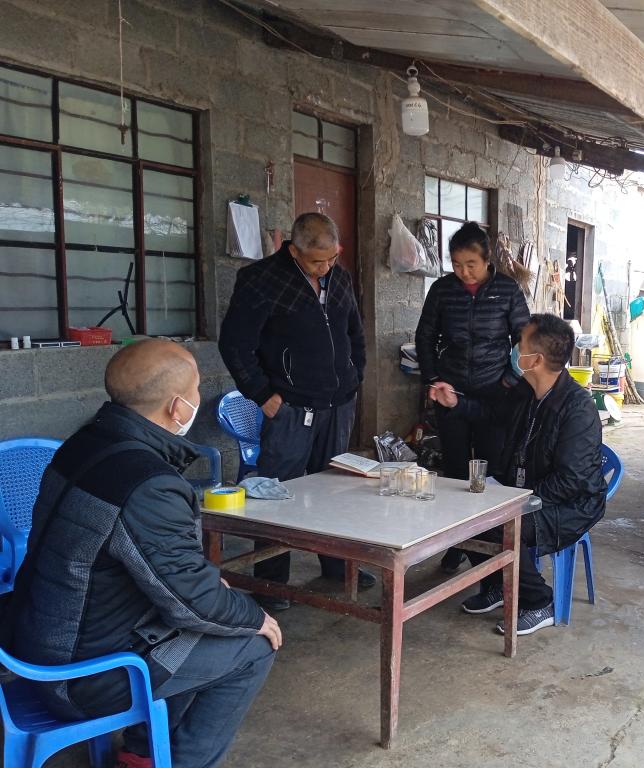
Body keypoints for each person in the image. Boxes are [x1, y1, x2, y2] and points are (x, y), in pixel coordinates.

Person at [2, 339, 280, 768]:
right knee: (252, 646)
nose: (197, 398)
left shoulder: (83, 444)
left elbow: (163, 570)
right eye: (196, 389)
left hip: (30, 637)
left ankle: (142, 751)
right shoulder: (149, 484)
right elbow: (194, 603)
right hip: (79, 677)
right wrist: (254, 617)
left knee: (202, 621)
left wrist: (209, 588)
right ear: (177, 407)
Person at [219, 212, 372, 608]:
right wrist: (262, 394)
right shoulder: (260, 280)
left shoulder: (340, 277)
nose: (326, 268)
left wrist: (355, 374)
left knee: (335, 489)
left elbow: (354, 331)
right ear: (294, 250)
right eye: (317, 261)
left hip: (338, 403)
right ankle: (271, 584)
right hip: (289, 407)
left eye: (332, 258)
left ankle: (337, 565)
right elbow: (234, 344)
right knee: (276, 494)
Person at [430, 313, 607, 635]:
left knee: (499, 524)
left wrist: (517, 501)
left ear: (535, 360)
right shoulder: (526, 392)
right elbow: (490, 413)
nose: (514, 349)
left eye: (520, 344)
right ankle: (500, 585)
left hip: (571, 505)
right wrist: (455, 403)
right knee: (460, 515)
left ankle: (540, 601)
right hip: (525, 489)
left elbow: (572, 481)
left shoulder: (577, 408)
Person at [415, 221, 531, 573]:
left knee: (489, 470)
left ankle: (490, 546)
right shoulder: (442, 290)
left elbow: (524, 340)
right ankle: (456, 544)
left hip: (495, 394)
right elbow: (425, 336)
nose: (464, 272)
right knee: (453, 471)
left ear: (487, 259)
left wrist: (510, 381)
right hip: (452, 393)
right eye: (456, 264)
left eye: (471, 265)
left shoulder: (507, 290)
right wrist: (434, 379)